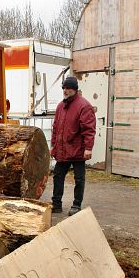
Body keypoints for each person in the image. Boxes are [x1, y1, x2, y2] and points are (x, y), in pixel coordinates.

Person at [50, 76, 96, 216]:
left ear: (75, 90)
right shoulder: (60, 106)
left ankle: (76, 205)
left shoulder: (84, 106)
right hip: (63, 149)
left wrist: (88, 148)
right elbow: (56, 127)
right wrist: (54, 146)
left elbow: (89, 129)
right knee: (58, 175)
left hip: (78, 150)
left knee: (79, 179)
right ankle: (56, 204)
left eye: (68, 88)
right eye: (64, 88)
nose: (65, 90)